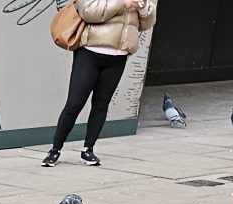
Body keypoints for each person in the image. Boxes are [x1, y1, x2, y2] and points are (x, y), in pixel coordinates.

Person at [43, 0, 156, 168]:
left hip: (119, 55)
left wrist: (143, 7)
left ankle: (88, 149)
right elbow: (88, 12)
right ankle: (55, 150)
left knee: (101, 104)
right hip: (90, 52)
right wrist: (122, 3)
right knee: (74, 103)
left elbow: (146, 24)